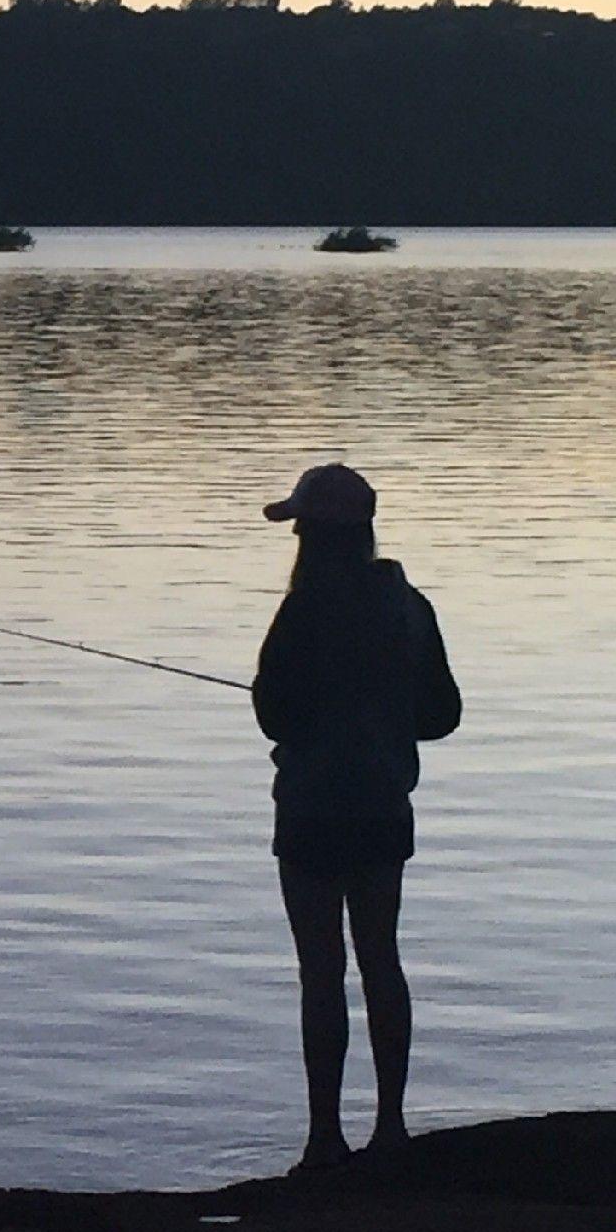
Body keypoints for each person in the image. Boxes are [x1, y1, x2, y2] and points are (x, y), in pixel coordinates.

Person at [251, 462, 460, 1173]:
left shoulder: (302, 611)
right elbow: (443, 716)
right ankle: (392, 1129)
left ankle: (323, 1141)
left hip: (310, 809)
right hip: (380, 806)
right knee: (381, 962)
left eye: (302, 525)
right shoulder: (409, 608)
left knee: (321, 972)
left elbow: (271, 713)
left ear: (315, 535)